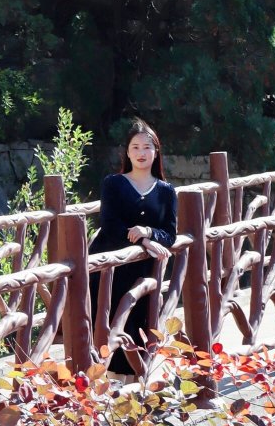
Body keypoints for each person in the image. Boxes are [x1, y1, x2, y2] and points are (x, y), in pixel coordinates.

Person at [88, 119, 177, 376]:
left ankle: (137, 384)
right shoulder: (113, 184)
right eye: (135, 147)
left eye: (147, 147)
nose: (141, 153)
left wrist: (149, 231)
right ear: (127, 152)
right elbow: (110, 225)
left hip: (142, 271)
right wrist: (145, 241)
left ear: (156, 152)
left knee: (138, 324)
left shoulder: (166, 191)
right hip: (110, 269)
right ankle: (101, 382)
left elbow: (170, 235)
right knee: (105, 323)